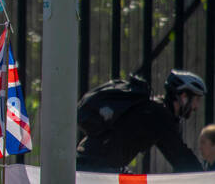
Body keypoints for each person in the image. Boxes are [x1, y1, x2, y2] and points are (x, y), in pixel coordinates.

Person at [75, 70, 207, 173]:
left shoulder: (155, 110)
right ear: (184, 97)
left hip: (91, 162)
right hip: (94, 166)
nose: (196, 106)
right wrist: (205, 180)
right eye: (196, 100)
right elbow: (181, 157)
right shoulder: (158, 115)